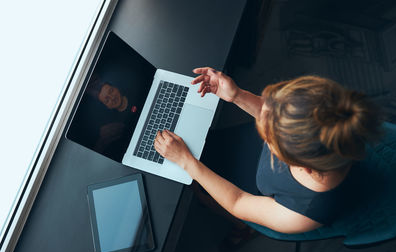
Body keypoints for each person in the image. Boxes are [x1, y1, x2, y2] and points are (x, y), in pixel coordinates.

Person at [154, 67, 382, 242]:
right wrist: (236, 95)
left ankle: (243, 229)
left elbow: (238, 201)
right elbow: (271, 114)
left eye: (269, 138)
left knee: (198, 188)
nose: (262, 120)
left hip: (249, 191)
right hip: (259, 159)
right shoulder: (318, 124)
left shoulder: (304, 213)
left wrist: (186, 161)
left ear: (302, 166)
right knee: (209, 147)